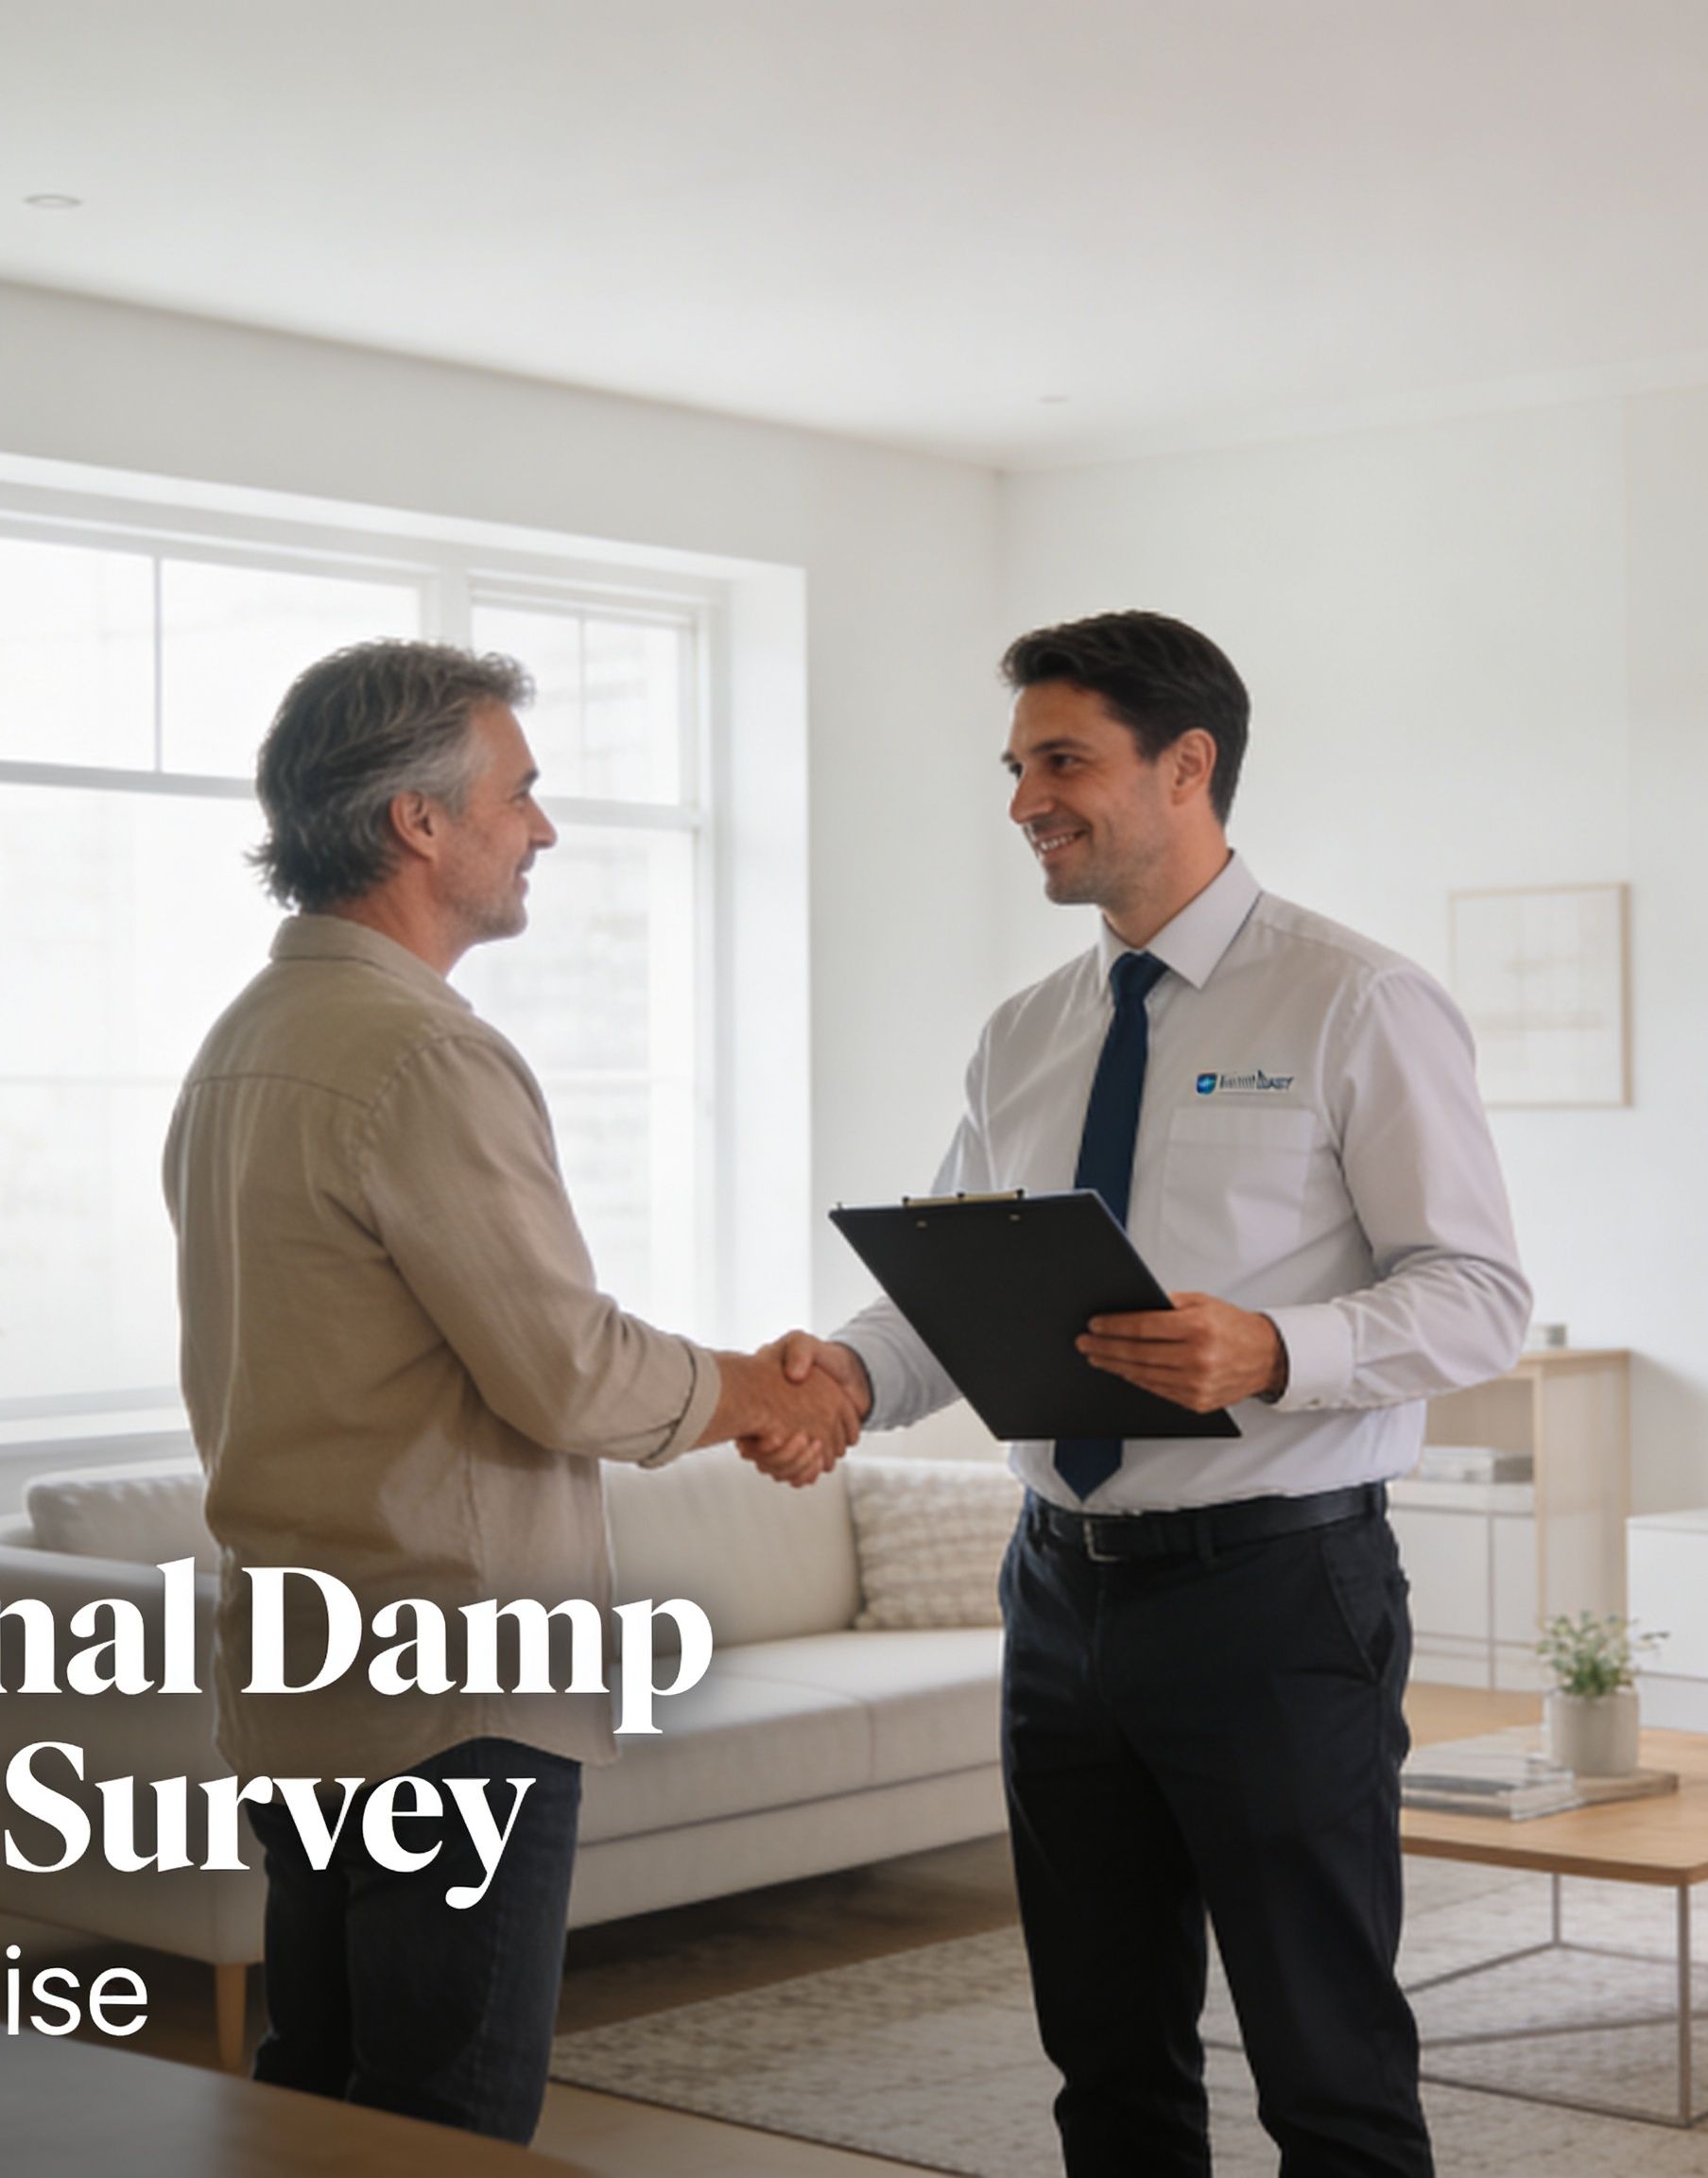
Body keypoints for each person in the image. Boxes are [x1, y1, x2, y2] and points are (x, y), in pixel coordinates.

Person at [770, 612, 1528, 2177]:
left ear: (1188, 766)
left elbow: (1478, 1297)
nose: (1025, 801)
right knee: (1104, 2055)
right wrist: (850, 1370)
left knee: (1325, 2060)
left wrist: (1271, 1349)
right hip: (1057, 1597)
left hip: (1275, 1593)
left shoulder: (1355, 1003)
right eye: (1016, 766)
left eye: (1063, 761)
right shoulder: (1027, 1034)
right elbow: (953, 1295)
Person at [164, 638, 861, 2143]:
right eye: (521, 794)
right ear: (420, 823)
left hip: (302, 1667)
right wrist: (761, 1389)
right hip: (453, 1691)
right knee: (445, 2120)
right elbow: (569, 1374)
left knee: (318, 2100)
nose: (542, 829)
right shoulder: (420, 1055)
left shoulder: (242, 1043)